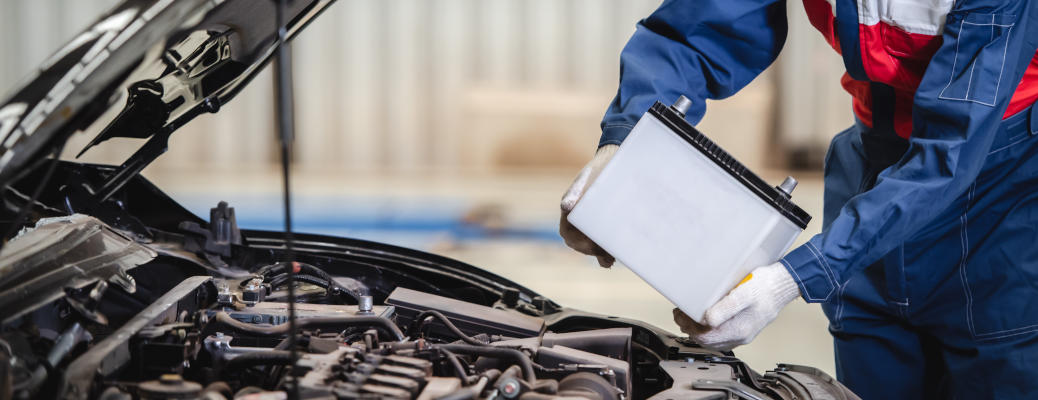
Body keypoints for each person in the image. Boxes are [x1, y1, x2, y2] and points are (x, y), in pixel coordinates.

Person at [558, 0, 1038, 398]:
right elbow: (698, 28)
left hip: (1000, 201)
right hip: (871, 165)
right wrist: (624, 145)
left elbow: (950, 152)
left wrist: (791, 278)